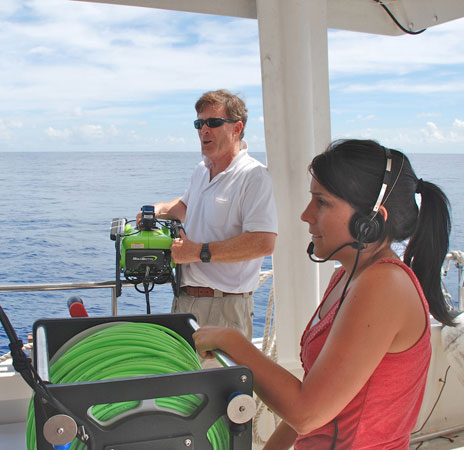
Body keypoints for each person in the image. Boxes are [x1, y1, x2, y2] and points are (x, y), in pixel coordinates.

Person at [193, 139, 457, 449]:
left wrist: (232, 341)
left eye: (322, 201)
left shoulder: (385, 286)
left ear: (370, 221)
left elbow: (307, 413)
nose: (306, 214)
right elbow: (314, 398)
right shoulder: (346, 278)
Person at [138, 89, 278, 341]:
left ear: (237, 128)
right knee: (184, 378)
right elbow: (185, 207)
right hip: (184, 300)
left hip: (223, 307)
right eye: (199, 124)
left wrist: (197, 252)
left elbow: (264, 243)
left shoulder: (253, 176)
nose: (204, 130)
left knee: (216, 381)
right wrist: (158, 209)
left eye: (213, 123)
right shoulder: (202, 170)